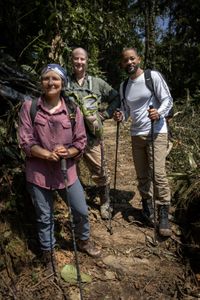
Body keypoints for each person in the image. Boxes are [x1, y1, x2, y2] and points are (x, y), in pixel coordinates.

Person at [18, 64, 101, 275]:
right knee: (44, 217)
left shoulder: (73, 110)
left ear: (62, 83)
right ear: (41, 82)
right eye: (46, 78)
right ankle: (48, 254)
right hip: (38, 173)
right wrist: (45, 154)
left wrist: (69, 151)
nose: (51, 82)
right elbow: (25, 141)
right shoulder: (30, 107)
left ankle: (83, 240)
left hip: (67, 172)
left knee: (81, 210)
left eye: (55, 79)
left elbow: (81, 141)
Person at [113, 48, 173, 237]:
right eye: (125, 60)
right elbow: (127, 111)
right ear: (122, 64)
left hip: (156, 132)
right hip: (136, 134)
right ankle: (147, 206)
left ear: (139, 59)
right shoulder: (124, 86)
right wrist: (120, 115)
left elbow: (168, 100)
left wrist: (159, 113)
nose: (129, 62)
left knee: (158, 173)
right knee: (142, 175)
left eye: (132, 58)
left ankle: (163, 212)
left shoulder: (151, 76)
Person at [65, 47, 120, 219]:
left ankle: (105, 202)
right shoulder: (64, 83)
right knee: (72, 172)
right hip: (69, 137)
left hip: (92, 137)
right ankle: (78, 202)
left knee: (100, 170)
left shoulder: (97, 83)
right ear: (71, 60)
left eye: (82, 59)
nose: (79, 62)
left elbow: (116, 97)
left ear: (87, 61)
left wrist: (106, 114)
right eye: (76, 59)